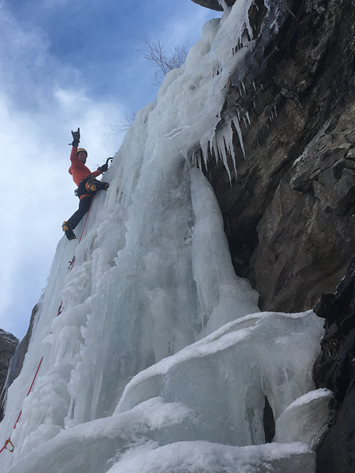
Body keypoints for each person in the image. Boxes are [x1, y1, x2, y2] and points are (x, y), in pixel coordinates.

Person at [62, 128, 110, 240]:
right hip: (86, 185)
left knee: (83, 210)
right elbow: (72, 157)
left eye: (85, 155)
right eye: (82, 154)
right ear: (78, 156)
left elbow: (92, 174)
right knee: (91, 182)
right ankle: (94, 186)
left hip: (82, 191)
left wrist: (101, 170)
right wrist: (75, 142)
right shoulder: (76, 164)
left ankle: (69, 225)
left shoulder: (81, 169)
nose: (84, 157)